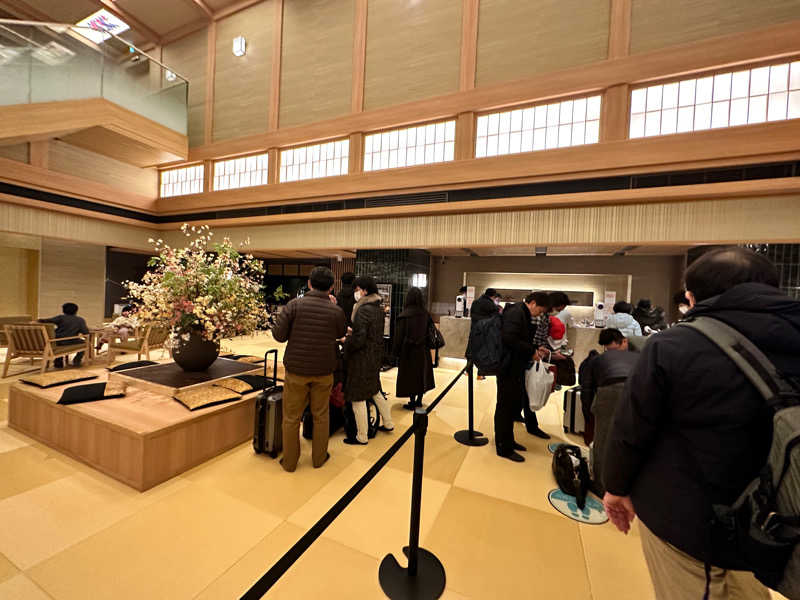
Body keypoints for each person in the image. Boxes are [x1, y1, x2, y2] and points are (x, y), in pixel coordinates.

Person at [603, 247, 800, 599]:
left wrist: (616, 487)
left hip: (690, 516)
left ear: (692, 297)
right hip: (779, 518)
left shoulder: (675, 344)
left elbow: (632, 428)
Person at [271, 266, 346, 472]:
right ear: (331, 287)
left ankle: (290, 462)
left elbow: (279, 335)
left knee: (291, 417)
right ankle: (319, 459)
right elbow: (340, 333)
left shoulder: (294, 305)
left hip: (296, 370)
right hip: (324, 370)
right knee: (321, 415)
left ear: (310, 283)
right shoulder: (336, 310)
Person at [582, 328, 640, 495]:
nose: (612, 353)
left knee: (603, 440)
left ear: (624, 341)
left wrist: (589, 413)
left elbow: (588, 389)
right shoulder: (644, 348)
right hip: (639, 390)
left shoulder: (597, 360)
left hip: (615, 390)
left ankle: (601, 486)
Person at [495, 291, 551, 462]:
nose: (540, 314)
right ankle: (503, 447)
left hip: (514, 365)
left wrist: (535, 348)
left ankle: (509, 441)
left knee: (511, 404)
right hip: (508, 366)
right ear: (533, 303)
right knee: (505, 406)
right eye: (540, 310)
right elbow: (509, 338)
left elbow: (520, 339)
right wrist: (531, 351)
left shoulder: (521, 312)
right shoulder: (516, 313)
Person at [343, 275, 394, 444]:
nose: (356, 293)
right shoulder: (378, 308)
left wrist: (346, 340)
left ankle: (362, 436)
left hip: (362, 358)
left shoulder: (363, 309)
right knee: (374, 390)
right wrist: (355, 332)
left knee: (358, 396)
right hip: (374, 356)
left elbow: (359, 340)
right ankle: (388, 423)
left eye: (357, 290)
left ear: (364, 291)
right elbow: (370, 333)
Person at [393, 287, 435, 411]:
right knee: (421, 375)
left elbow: (398, 337)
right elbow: (430, 333)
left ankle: (411, 401)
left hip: (408, 351)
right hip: (423, 350)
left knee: (409, 376)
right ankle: (419, 401)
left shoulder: (404, 315)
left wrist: (395, 353)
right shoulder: (425, 314)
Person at [38, 302, 89, 368]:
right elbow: (85, 332)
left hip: (56, 341)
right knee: (85, 343)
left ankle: (58, 361)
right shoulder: (80, 320)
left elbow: (46, 320)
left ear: (63, 310)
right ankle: (77, 360)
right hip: (71, 341)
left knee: (59, 341)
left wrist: (38, 320)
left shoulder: (60, 318)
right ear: (76, 311)